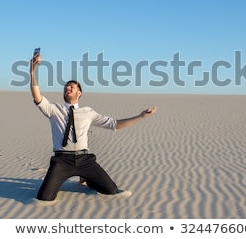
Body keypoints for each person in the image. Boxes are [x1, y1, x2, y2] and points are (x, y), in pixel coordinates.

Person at [30, 52, 157, 201]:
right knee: (44, 198)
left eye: (71, 87)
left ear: (79, 93)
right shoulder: (53, 109)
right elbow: (37, 97)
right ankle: (80, 177)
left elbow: (114, 124)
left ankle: (87, 177)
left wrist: (140, 116)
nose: (67, 89)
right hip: (61, 161)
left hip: (85, 160)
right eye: (66, 87)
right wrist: (32, 71)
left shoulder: (88, 112)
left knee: (111, 190)